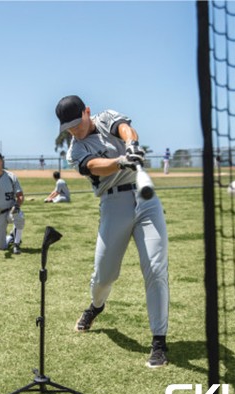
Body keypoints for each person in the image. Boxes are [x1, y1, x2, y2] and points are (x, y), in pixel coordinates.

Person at [55, 95, 169, 368]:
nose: (74, 130)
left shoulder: (105, 117)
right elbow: (95, 166)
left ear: (87, 112)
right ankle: (96, 306)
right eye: (68, 127)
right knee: (103, 276)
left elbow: (125, 128)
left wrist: (132, 146)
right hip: (113, 204)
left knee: (155, 268)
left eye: (76, 123)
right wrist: (121, 162)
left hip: (146, 198)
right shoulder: (75, 151)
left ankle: (159, 342)